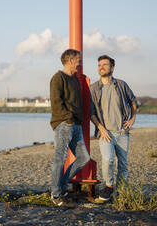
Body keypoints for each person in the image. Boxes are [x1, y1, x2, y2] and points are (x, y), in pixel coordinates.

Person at [90, 55, 137, 201]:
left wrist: (132, 118)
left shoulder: (121, 85)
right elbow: (91, 113)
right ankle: (109, 186)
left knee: (123, 164)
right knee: (108, 159)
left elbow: (133, 102)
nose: (101, 67)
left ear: (112, 67)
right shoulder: (94, 88)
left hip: (122, 132)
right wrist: (100, 128)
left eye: (105, 64)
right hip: (105, 133)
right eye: (99, 65)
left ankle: (121, 191)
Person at [50, 49, 90, 206]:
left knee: (84, 158)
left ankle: (61, 186)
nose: (80, 62)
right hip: (64, 123)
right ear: (70, 60)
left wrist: (76, 121)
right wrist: (68, 120)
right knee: (60, 158)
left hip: (76, 125)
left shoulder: (74, 79)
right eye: (78, 59)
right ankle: (55, 195)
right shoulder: (57, 78)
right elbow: (56, 102)